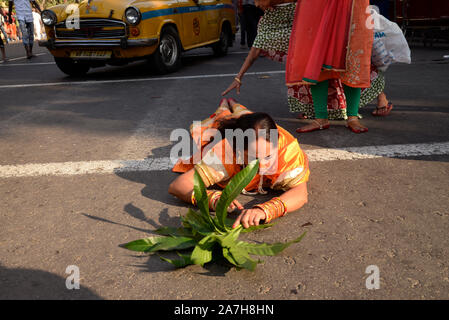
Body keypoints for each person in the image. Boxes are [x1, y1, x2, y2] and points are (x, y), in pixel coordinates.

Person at [222, 0, 386, 124]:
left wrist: (239, 77)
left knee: (352, 60)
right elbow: (256, 48)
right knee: (314, 69)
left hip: (332, 20)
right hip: (305, 42)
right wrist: (238, 77)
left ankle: (371, 103)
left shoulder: (295, 6)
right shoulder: (272, 17)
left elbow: (256, 49)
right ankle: (321, 114)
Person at [169, 98, 309, 229]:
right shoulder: (225, 153)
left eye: (268, 156)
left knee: (246, 116)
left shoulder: (287, 152)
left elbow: (300, 193)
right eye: (254, 158)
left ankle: (233, 104)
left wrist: (266, 210)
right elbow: (178, 186)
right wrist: (215, 199)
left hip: (251, 128)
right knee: (221, 120)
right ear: (238, 150)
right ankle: (225, 105)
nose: (263, 165)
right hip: (237, 129)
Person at [286, 0, 373, 133]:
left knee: (352, 56)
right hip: (318, 5)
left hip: (351, 4)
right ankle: (321, 118)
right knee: (317, 58)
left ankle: (352, 117)